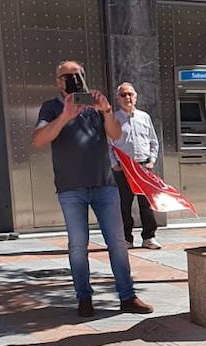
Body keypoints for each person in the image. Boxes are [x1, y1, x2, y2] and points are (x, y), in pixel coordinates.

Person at [33, 60, 152, 317]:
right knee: (78, 245)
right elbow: (39, 140)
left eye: (79, 74)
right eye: (68, 76)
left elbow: (116, 135)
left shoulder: (96, 106)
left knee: (118, 243)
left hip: (104, 186)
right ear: (58, 82)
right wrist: (65, 115)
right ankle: (84, 298)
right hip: (70, 188)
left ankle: (127, 296)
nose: (75, 79)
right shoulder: (52, 107)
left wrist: (107, 110)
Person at [110, 82, 161, 250]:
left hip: (143, 166)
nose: (127, 98)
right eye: (123, 95)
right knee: (124, 204)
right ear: (118, 99)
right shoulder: (113, 119)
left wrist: (152, 159)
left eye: (130, 94)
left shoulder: (144, 117)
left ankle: (149, 237)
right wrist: (114, 164)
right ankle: (126, 239)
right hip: (123, 168)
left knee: (146, 204)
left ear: (136, 96)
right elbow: (108, 145)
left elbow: (153, 141)